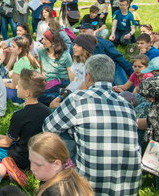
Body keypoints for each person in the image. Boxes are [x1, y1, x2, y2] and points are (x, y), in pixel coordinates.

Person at [43, 54, 142, 195]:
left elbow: (48, 128)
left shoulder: (77, 99)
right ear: (111, 77)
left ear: (88, 77)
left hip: (91, 189)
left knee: (62, 133)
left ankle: (61, 180)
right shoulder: (127, 106)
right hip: (128, 189)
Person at [0, 69, 50, 171]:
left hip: (20, 158)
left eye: (19, 86)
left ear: (27, 93)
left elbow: (6, 143)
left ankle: (8, 168)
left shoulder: (20, 115)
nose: (16, 87)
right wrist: (4, 137)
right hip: (38, 156)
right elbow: (24, 135)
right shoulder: (46, 110)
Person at [0, 132, 94, 196]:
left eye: (38, 164)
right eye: (31, 161)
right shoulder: (69, 173)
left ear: (57, 164)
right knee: (8, 191)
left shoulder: (53, 191)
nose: (32, 168)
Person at [48, 34, 98, 108]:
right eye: (74, 44)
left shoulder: (89, 66)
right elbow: (73, 82)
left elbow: (81, 91)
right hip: (69, 92)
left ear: (85, 48)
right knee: (45, 96)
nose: (74, 47)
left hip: (77, 99)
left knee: (47, 101)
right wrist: (60, 97)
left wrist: (61, 104)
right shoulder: (77, 60)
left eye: (78, 45)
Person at [4, 35, 40, 104]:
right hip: (36, 92)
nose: (10, 48)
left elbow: (14, 86)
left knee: (0, 86)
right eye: (11, 46)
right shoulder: (32, 59)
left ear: (20, 49)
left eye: (13, 47)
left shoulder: (19, 63)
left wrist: (3, 83)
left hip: (25, 96)